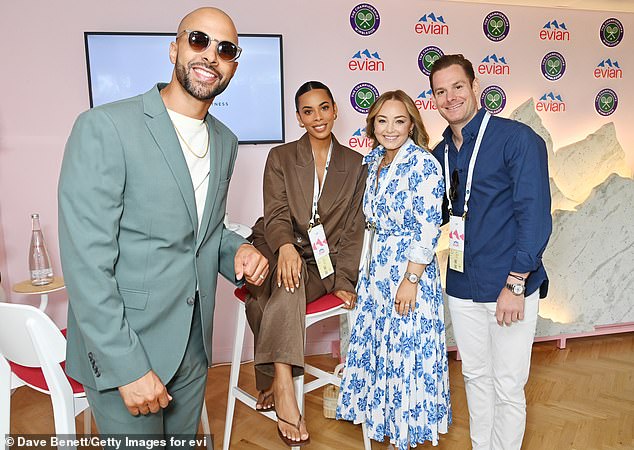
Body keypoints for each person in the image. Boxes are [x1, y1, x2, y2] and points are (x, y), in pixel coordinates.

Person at [58, 7, 268, 444]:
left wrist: (236, 252)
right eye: (198, 41)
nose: (211, 55)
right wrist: (126, 367)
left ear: (234, 65)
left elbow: (202, 233)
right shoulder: (106, 126)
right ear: (174, 48)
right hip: (128, 349)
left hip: (192, 345)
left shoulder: (226, 141)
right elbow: (85, 266)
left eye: (225, 49)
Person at [429, 54, 552, 450]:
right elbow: (437, 213)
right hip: (463, 284)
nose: (450, 98)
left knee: (508, 384)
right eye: (440, 92)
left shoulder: (517, 139)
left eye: (457, 87)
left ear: (475, 86)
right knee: (475, 377)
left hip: (508, 284)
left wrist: (516, 283)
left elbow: (534, 216)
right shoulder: (440, 152)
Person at [245, 81, 366, 446]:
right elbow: (277, 212)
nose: (318, 117)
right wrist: (283, 247)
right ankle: (282, 384)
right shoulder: (280, 157)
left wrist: (344, 279)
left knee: (272, 293)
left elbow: (352, 228)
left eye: (324, 108)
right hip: (273, 244)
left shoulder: (355, 164)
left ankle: (276, 381)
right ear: (299, 117)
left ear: (335, 111)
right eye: (308, 111)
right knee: (276, 276)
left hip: (319, 261)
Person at [337, 90, 451, 450]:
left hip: (407, 271)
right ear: (372, 124)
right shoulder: (372, 161)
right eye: (382, 120)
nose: (390, 128)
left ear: (412, 124)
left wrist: (411, 279)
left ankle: (409, 427)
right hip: (376, 269)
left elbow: (428, 227)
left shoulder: (424, 164)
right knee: (381, 347)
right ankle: (385, 420)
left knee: (406, 350)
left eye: (399, 120)